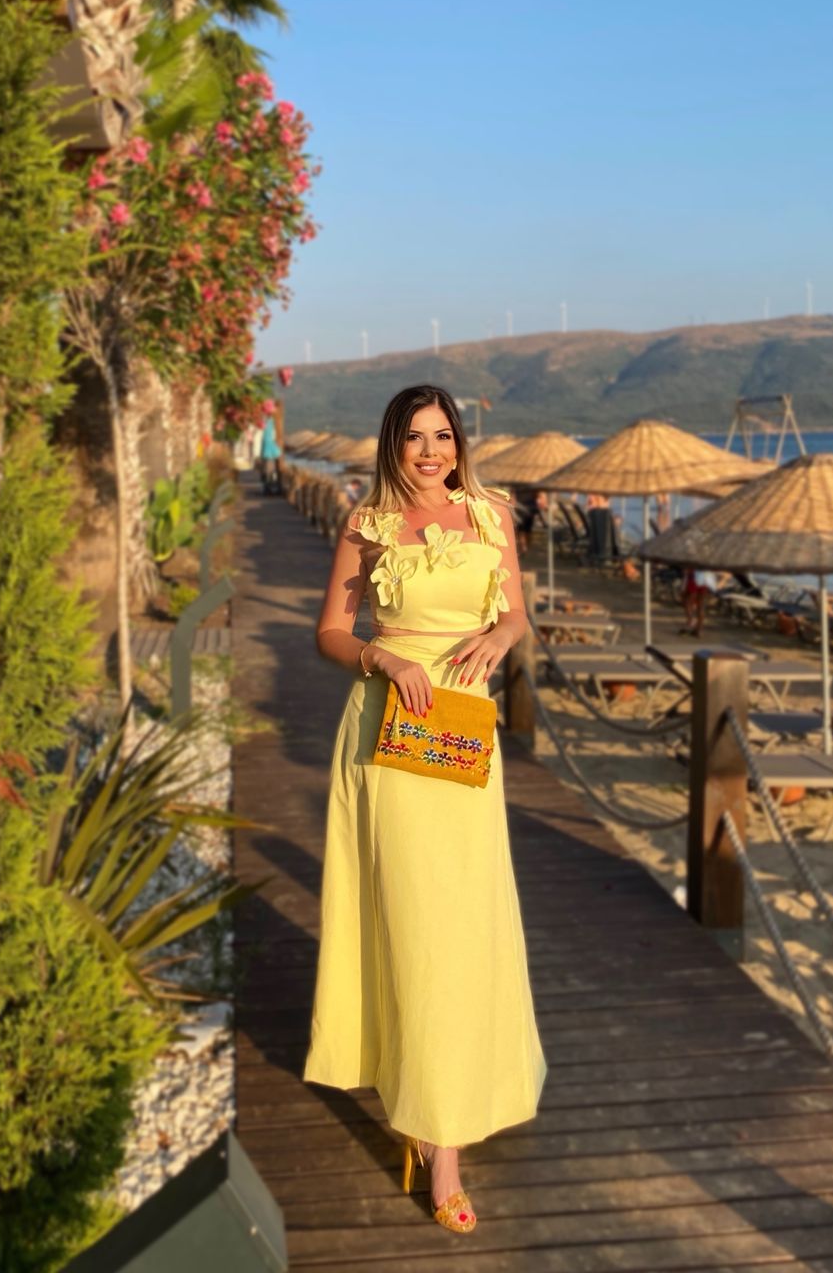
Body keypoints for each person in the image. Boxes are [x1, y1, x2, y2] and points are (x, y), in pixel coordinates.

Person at [305, 384, 545, 1235]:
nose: (432, 451)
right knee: (411, 923)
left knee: (464, 925)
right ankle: (437, 1143)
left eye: (444, 436)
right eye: (416, 438)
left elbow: (515, 613)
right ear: (392, 446)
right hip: (391, 731)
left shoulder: (491, 516)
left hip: (465, 736)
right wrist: (382, 658)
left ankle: (450, 1104)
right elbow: (330, 632)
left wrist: (500, 637)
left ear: (459, 444)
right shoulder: (366, 525)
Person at [680, 566, 718, 636]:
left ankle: (690, 622)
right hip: (706, 579)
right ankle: (698, 629)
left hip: (694, 578)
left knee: (688, 602)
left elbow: (687, 569)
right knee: (701, 605)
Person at [258, 413, 282, 495]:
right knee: (270, 470)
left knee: (268, 470)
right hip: (269, 448)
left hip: (267, 448)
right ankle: (268, 488)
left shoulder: (267, 421)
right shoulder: (270, 421)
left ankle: (267, 488)